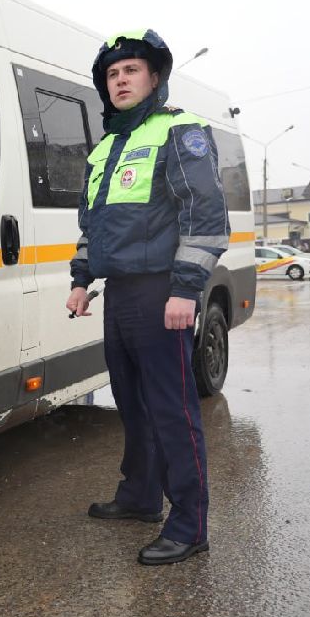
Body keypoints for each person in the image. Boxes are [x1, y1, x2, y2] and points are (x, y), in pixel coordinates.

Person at [65, 29, 230, 566]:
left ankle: (189, 524)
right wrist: (80, 280)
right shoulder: (106, 149)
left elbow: (204, 216)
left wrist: (185, 290)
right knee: (132, 404)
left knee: (172, 411)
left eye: (130, 71)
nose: (120, 81)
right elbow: (94, 224)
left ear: (154, 77)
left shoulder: (180, 130)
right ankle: (140, 497)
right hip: (120, 296)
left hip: (163, 292)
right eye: (112, 75)